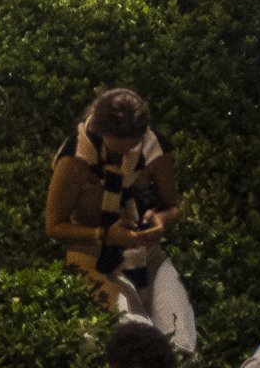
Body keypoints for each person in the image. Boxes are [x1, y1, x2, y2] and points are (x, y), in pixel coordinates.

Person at [45, 89, 189, 345]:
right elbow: (54, 226)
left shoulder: (155, 149)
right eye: (116, 146)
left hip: (146, 253)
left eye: (132, 146)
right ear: (102, 132)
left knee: (181, 339)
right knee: (135, 335)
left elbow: (173, 207)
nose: (125, 155)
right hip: (90, 253)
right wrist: (104, 234)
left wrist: (161, 220)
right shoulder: (76, 158)